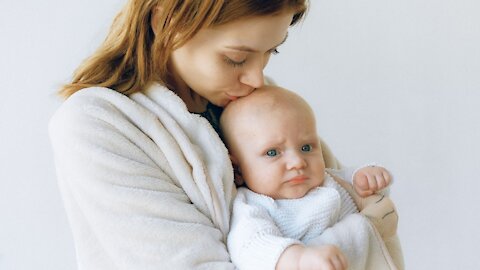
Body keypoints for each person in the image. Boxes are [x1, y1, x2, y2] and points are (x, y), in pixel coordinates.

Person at [49, 1, 319, 269]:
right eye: (236, 59)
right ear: (166, 21)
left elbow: (339, 198)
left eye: (272, 50)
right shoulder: (96, 124)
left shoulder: (252, 103)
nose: (256, 79)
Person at [220, 85, 394, 270]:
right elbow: (250, 247)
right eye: (272, 152)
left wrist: (367, 177)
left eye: (306, 148)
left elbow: (367, 193)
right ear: (237, 170)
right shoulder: (253, 206)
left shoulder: (328, 180)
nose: (297, 162)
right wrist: (298, 259)